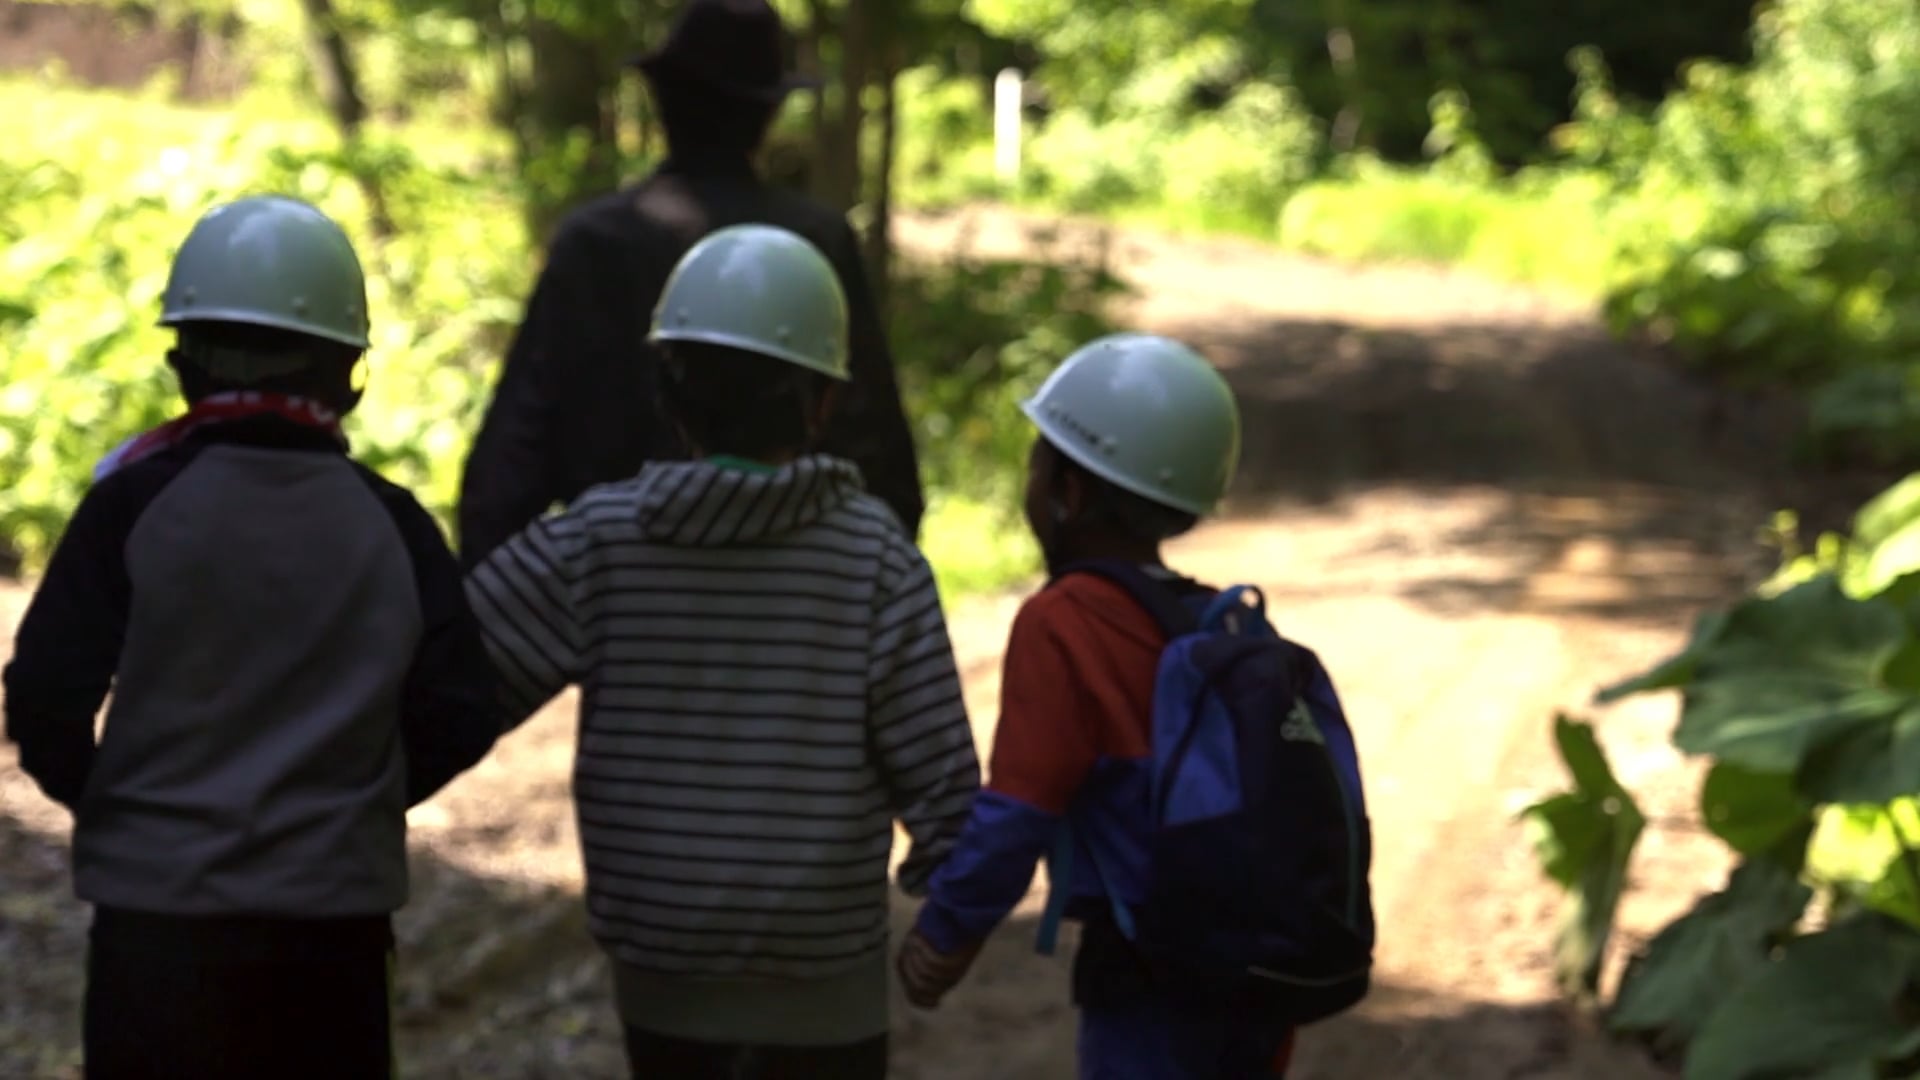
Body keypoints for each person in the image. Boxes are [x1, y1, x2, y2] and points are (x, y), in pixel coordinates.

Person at [2, 195, 504, 1079]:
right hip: (332, 943)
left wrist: (122, 808)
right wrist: (352, 806)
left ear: (180, 364)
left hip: (155, 939)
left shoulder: (132, 507)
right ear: (351, 372)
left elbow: (44, 694)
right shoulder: (393, 526)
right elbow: (460, 713)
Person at [464, 223, 979, 1080]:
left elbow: (454, 670)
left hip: (662, 980)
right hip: (828, 996)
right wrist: (947, 921)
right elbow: (942, 783)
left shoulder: (601, 540)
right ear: (824, 402)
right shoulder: (873, 559)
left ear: (667, 390)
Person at [894, 334, 1372, 1078]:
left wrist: (947, 933)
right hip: (1261, 978)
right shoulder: (1229, 622)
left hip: (1152, 982)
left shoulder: (1065, 621)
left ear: (1070, 492)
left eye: (1037, 460)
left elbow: (1018, 811)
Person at [456, 0, 924, 570]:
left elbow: (508, 471)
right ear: (768, 114)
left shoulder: (595, 243)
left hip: (617, 602)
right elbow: (879, 455)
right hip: (792, 599)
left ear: (663, 102)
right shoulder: (814, 242)